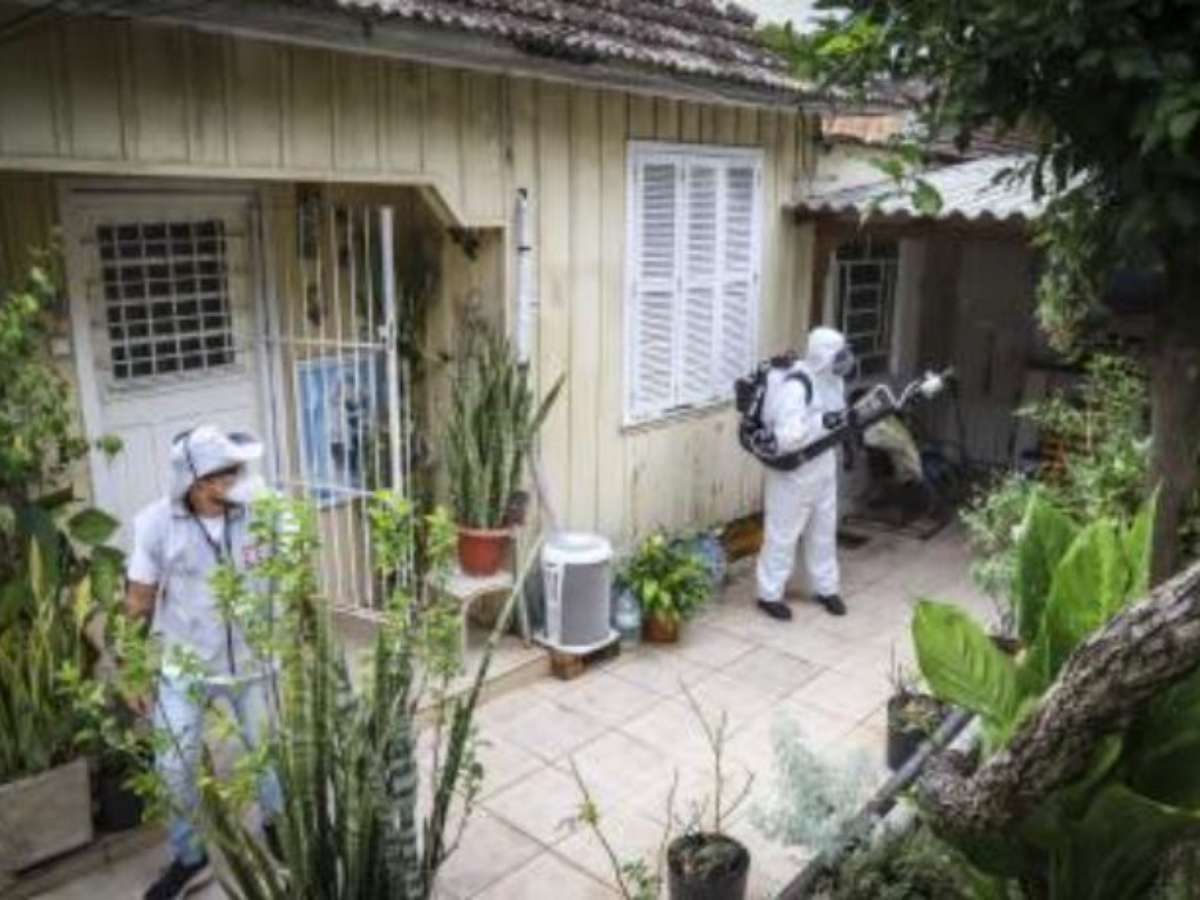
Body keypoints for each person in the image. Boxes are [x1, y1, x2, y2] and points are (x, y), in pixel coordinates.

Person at [125, 425, 282, 900]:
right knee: (174, 765)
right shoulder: (155, 525)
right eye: (225, 472)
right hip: (186, 666)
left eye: (237, 469)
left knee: (268, 758)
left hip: (253, 664)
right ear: (196, 482)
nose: (237, 478)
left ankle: (279, 830)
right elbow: (139, 601)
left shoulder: (264, 509)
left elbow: (293, 572)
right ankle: (189, 857)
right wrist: (135, 670)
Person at [755, 327, 855, 621]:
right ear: (823, 356)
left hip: (823, 466)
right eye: (838, 356)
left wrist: (843, 437)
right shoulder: (797, 386)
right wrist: (823, 423)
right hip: (794, 472)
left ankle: (827, 588)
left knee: (823, 531)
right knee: (783, 534)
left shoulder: (833, 381)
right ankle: (769, 594)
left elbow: (839, 417)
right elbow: (788, 437)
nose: (845, 362)